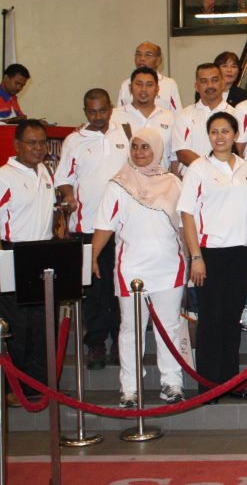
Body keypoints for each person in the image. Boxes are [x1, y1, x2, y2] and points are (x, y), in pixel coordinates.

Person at [92, 127, 186, 407]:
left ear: (157, 149)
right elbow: (104, 226)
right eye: (135, 146)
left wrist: (194, 257)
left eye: (146, 147)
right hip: (131, 269)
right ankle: (130, 388)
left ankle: (172, 383)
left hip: (170, 267)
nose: (139, 152)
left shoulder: (174, 182)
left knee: (169, 328)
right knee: (130, 329)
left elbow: (185, 225)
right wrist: (92, 258)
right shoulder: (117, 184)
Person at [178, 112, 247, 398]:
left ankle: (230, 381)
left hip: (241, 253)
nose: (220, 136)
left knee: (232, 318)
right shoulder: (198, 168)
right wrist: (196, 256)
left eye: (225, 131)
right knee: (211, 318)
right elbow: (187, 214)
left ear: (235, 135)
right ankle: (209, 386)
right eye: (214, 132)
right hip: (209, 254)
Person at [55, 90, 128, 370]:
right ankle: (96, 343)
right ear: (85, 112)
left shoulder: (125, 134)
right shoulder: (74, 140)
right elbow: (63, 178)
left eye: (102, 110)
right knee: (94, 290)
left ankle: (120, 342)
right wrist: (69, 196)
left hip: (121, 227)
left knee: (119, 287)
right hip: (87, 227)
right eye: (92, 111)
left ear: (111, 108)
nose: (98, 116)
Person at [0, 120, 56, 400]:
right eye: (31, 142)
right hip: (14, 254)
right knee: (17, 326)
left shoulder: (45, 171)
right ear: (17, 145)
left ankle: (40, 386)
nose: (38, 148)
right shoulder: (4, 177)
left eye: (42, 142)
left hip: (44, 253)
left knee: (43, 323)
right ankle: (14, 388)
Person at [109, 66, 175, 168]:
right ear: (130, 88)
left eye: (149, 85)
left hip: (160, 177)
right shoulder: (113, 116)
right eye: (139, 84)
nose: (144, 89)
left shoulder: (169, 117)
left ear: (157, 89)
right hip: (125, 177)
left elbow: (174, 157)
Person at [173, 63, 235, 168]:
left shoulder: (235, 115)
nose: (210, 85)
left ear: (223, 84)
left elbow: (238, 152)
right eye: (204, 81)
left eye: (214, 80)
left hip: (227, 176)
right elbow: (182, 153)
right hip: (192, 176)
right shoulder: (183, 115)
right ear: (196, 86)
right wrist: (210, 171)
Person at [117, 42, 182, 112]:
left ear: (158, 60)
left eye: (148, 55)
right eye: (138, 54)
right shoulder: (126, 84)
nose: (142, 58)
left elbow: (177, 114)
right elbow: (119, 114)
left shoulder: (169, 84)